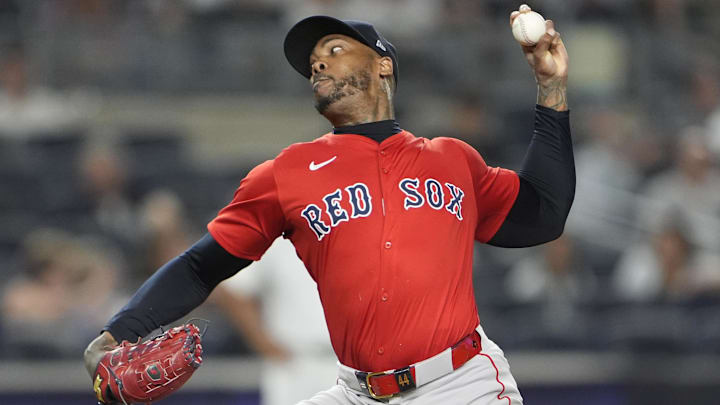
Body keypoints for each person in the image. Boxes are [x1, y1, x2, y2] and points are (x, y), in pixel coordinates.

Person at [85, 5, 574, 404]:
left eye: (334, 50)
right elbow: (199, 267)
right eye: (313, 60)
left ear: (383, 64)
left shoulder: (452, 159)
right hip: (355, 392)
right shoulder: (285, 174)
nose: (318, 63)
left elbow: (543, 215)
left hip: (460, 385)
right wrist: (116, 334)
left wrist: (551, 88)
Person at [213, 238, 337, 405]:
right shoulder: (277, 232)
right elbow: (233, 289)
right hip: (297, 362)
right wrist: (264, 342)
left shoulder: (362, 225)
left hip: (358, 364)